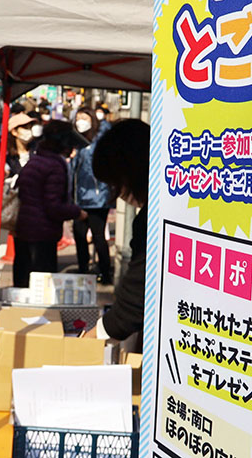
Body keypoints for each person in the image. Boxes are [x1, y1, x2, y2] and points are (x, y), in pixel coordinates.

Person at [89, 119, 149, 345]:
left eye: (117, 184)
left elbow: (139, 295)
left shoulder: (155, 219)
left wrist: (96, 334)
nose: (118, 194)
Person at [14, 120, 86, 288]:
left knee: (23, 285)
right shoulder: (55, 166)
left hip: (24, 230)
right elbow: (53, 206)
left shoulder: (35, 160)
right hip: (42, 235)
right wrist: (78, 213)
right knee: (40, 288)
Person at [70, 107, 114, 284]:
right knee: (79, 236)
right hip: (79, 197)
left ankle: (105, 272)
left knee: (98, 236)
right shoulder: (75, 141)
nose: (81, 121)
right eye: (78, 117)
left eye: (85, 117)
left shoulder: (100, 139)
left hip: (97, 198)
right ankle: (83, 270)